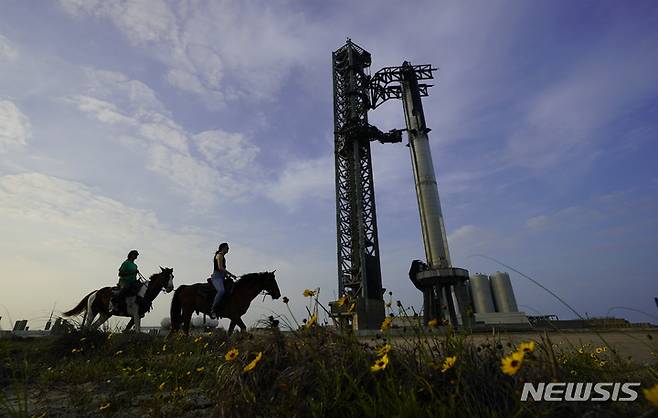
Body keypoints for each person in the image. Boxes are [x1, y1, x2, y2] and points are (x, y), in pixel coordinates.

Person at [211, 242, 236, 317]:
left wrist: (228, 277)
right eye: (227, 247)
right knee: (221, 291)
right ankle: (213, 309)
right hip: (216, 277)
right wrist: (231, 274)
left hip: (222, 277)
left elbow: (223, 271)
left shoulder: (223, 257)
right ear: (223, 248)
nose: (228, 249)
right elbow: (220, 268)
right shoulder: (219, 255)